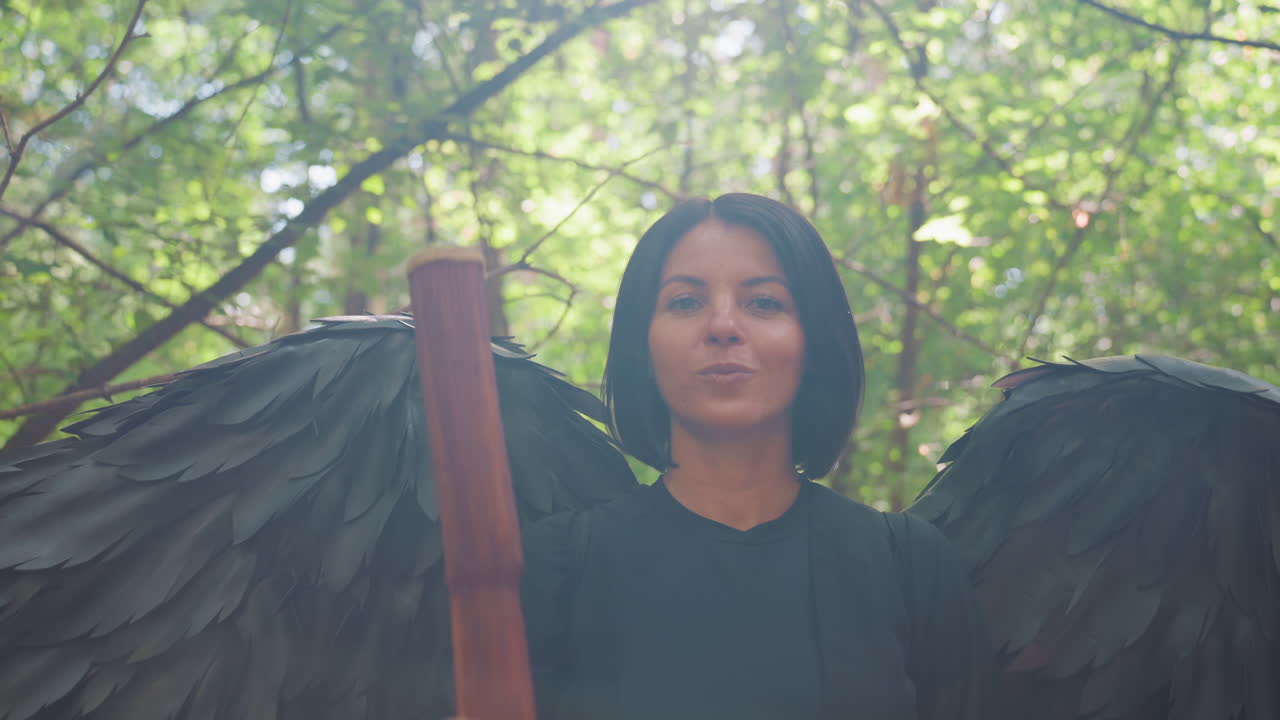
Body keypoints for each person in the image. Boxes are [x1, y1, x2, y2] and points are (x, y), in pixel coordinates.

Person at [522, 193, 1001, 719]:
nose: (723, 326)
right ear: (643, 346)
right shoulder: (557, 567)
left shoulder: (909, 566)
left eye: (764, 302)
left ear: (812, 342)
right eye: (685, 302)